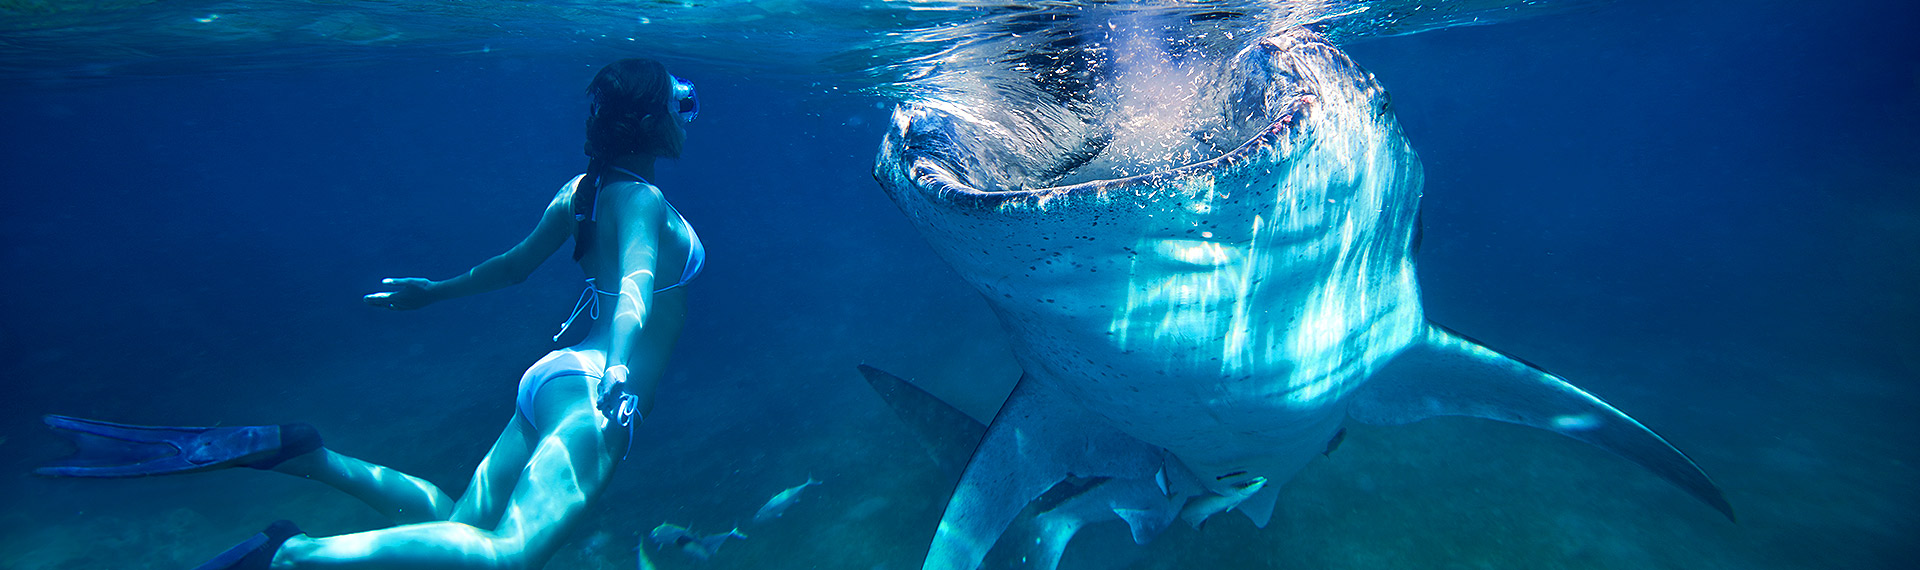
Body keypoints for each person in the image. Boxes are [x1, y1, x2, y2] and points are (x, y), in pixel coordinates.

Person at [35, 57, 705, 570]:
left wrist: (431, 291)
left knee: (460, 526)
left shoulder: (582, 189)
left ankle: (306, 455)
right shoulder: (640, 201)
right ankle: (295, 557)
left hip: (556, 378)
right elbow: (637, 289)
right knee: (507, 555)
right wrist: (619, 372)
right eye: (681, 106)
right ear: (647, 121)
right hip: (597, 390)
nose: (688, 116)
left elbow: (510, 269)